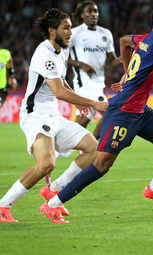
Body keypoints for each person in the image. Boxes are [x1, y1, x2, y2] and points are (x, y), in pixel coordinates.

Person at [41, 4, 153, 223]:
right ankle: (53, 204)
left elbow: (124, 41)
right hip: (123, 112)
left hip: (140, 111)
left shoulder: (144, 38)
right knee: (102, 165)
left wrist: (127, 73)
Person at [0, 8, 108, 223]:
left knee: (94, 149)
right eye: (65, 28)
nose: (70, 32)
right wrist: (92, 103)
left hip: (53, 115)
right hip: (35, 116)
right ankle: (3, 205)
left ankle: (53, 190)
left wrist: (79, 99)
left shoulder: (63, 49)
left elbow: (61, 82)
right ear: (52, 30)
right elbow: (58, 91)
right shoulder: (44, 54)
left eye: (70, 27)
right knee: (46, 164)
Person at [45, 0, 120, 184]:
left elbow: (112, 61)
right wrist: (81, 64)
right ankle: (91, 145)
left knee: (79, 125)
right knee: (111, 112)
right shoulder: (75, 33)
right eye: (89, 11)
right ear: (82, 15)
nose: (94, 14)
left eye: (96, 11)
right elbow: (63, 56)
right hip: (83, 84)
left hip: (98, 85)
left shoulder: (106, 34)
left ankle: (49, 158)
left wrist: (131, 56)